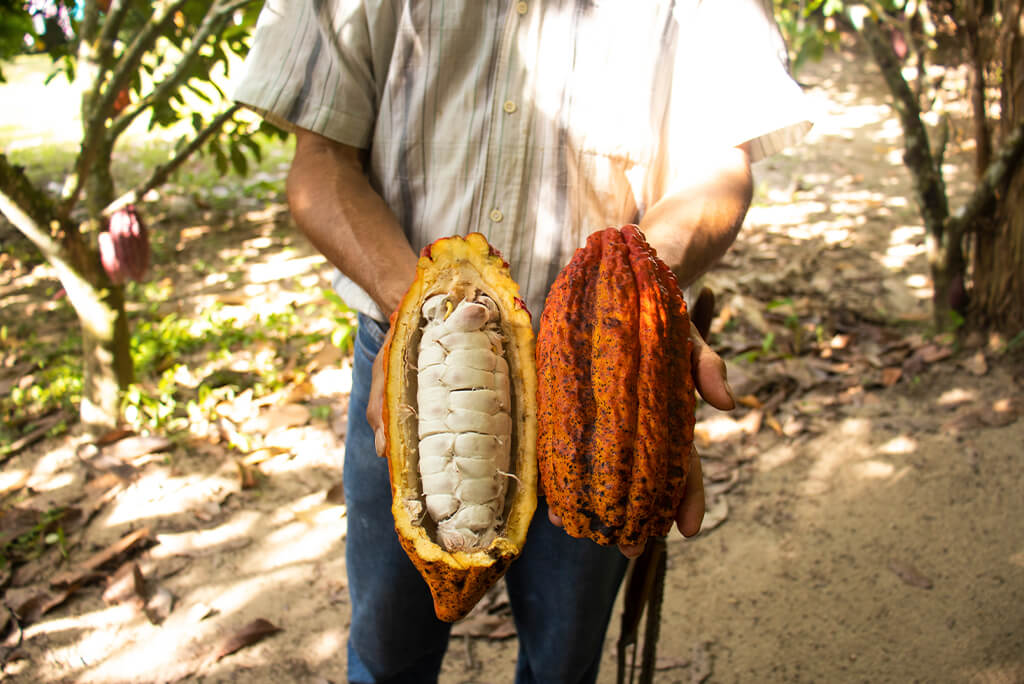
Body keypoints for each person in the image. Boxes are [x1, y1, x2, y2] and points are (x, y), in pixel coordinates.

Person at [233, 1, 811, 682]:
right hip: (416, 355)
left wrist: (633, 299)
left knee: (563, 658)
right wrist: (417, 308)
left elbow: (720, 161)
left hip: (605, 383)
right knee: (389, 646)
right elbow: (321, 157)